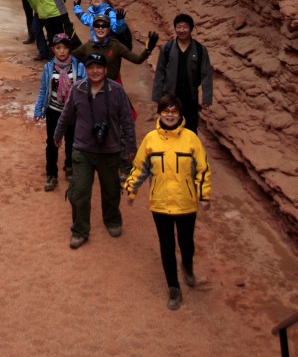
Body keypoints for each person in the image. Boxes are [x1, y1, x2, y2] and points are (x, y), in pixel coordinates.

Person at [126, 94, 211, 310]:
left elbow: (202, 169)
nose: (170, 115)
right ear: (160, 114)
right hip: (161, 203)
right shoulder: (151, 139)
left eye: (174, 111)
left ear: (180, 114)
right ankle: (173, 287)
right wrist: (131, 190)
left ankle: (188, 264)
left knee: (186, 242)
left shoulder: (191, 138)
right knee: (166, 245)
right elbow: (140, 167)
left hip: (186, 202)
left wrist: (203, 196)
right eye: (166, 111)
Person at [54, 52, 136, 248]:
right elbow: (66, 115)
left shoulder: (116, 91)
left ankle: (112, 219)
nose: (95, 71)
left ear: (105, 70)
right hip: (83, 149)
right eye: (91, 67)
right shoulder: (78, 88)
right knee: (79, 192)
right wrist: (58, 134)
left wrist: (131, 147)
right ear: (86, 70)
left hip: (110, 151)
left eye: (99, 67)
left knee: (111, 191)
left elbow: (127, 120)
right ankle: (80, 230)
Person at [34, 34, 86, 191]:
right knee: (52, 142)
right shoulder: (48, 68)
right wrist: (38, 109)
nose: (62, 51)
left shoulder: (78, 66)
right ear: (53, 50)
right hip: (54, 110)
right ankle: (52, 174)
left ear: (69, 48)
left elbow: (84, 88)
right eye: (58, 48)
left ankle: (69, 167)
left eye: (64, 47)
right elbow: (44, 89)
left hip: (72, 111)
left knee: (71, 140)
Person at [152, 14, 213, 133]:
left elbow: (206, 74)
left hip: (190, 97)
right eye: (179, 27)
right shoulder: (167, 48)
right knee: (169, 127)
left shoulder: (200, 50)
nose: (182, 30)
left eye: (185, 27)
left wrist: (206, 97)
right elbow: (160, 72)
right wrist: (157, 96)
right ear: (175, 28)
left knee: (190, 128)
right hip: (170, 96)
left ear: (191, 29)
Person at [73, 15, 159, 82]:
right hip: (92, 85)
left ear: (109, 28)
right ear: (93, 28)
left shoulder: (117, 46)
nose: (100, 28)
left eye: (104, 25)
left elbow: (137, 60)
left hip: (114, 85)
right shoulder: (87, 46)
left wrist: (148, 49)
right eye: (97, 25)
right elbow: (69, 58)